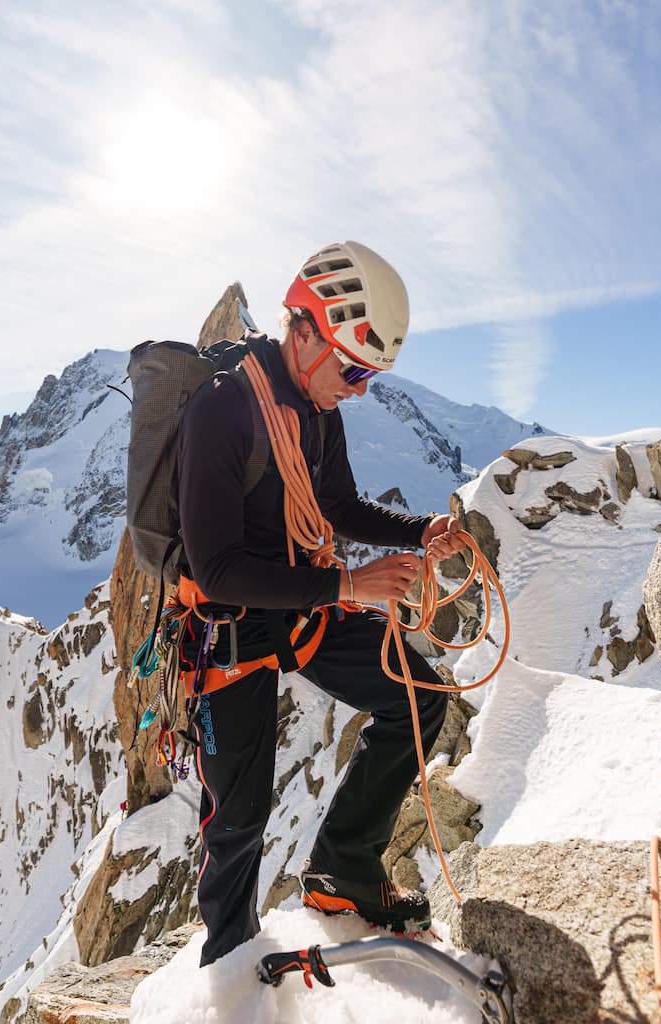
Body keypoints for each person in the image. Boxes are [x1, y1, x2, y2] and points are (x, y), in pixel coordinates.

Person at [175, 240, 467, 967]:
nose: (361, 388)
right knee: (238, 818)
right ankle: (228, 966)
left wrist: (419, 529)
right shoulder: (222, 409)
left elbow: (333, 504)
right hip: (232, 628)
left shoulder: (314, 404)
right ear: (302, 329)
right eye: (354, 367)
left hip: (301, 609)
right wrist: (348, 586)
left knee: (420, 694)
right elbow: (214, 569)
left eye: (371, 373)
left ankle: (344, 868)